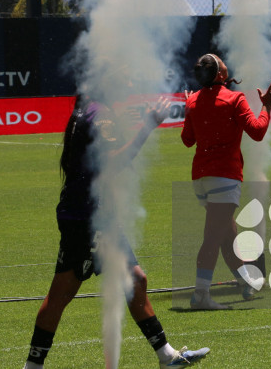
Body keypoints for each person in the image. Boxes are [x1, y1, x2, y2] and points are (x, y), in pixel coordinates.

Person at [24, 94, 209, 369]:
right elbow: (114, 161)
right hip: (89, 218)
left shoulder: (86, 110)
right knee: (62, 292)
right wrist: (148, 124)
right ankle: (33, 366)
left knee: (135, 279)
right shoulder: (100, 112)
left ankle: (166, 356)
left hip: (92, 215)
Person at [181, 53, 271, 309]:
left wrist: (190, 107)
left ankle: (245, 282)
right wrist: (267, 105)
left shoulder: (193, 100)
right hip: (224, 177)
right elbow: (257, 131)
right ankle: (201, 295)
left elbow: (187, 140)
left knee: (226, 234)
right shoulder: (234, 98)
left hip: (200, 179)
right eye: (221, 63)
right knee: (213, 238)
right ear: (221, 75)